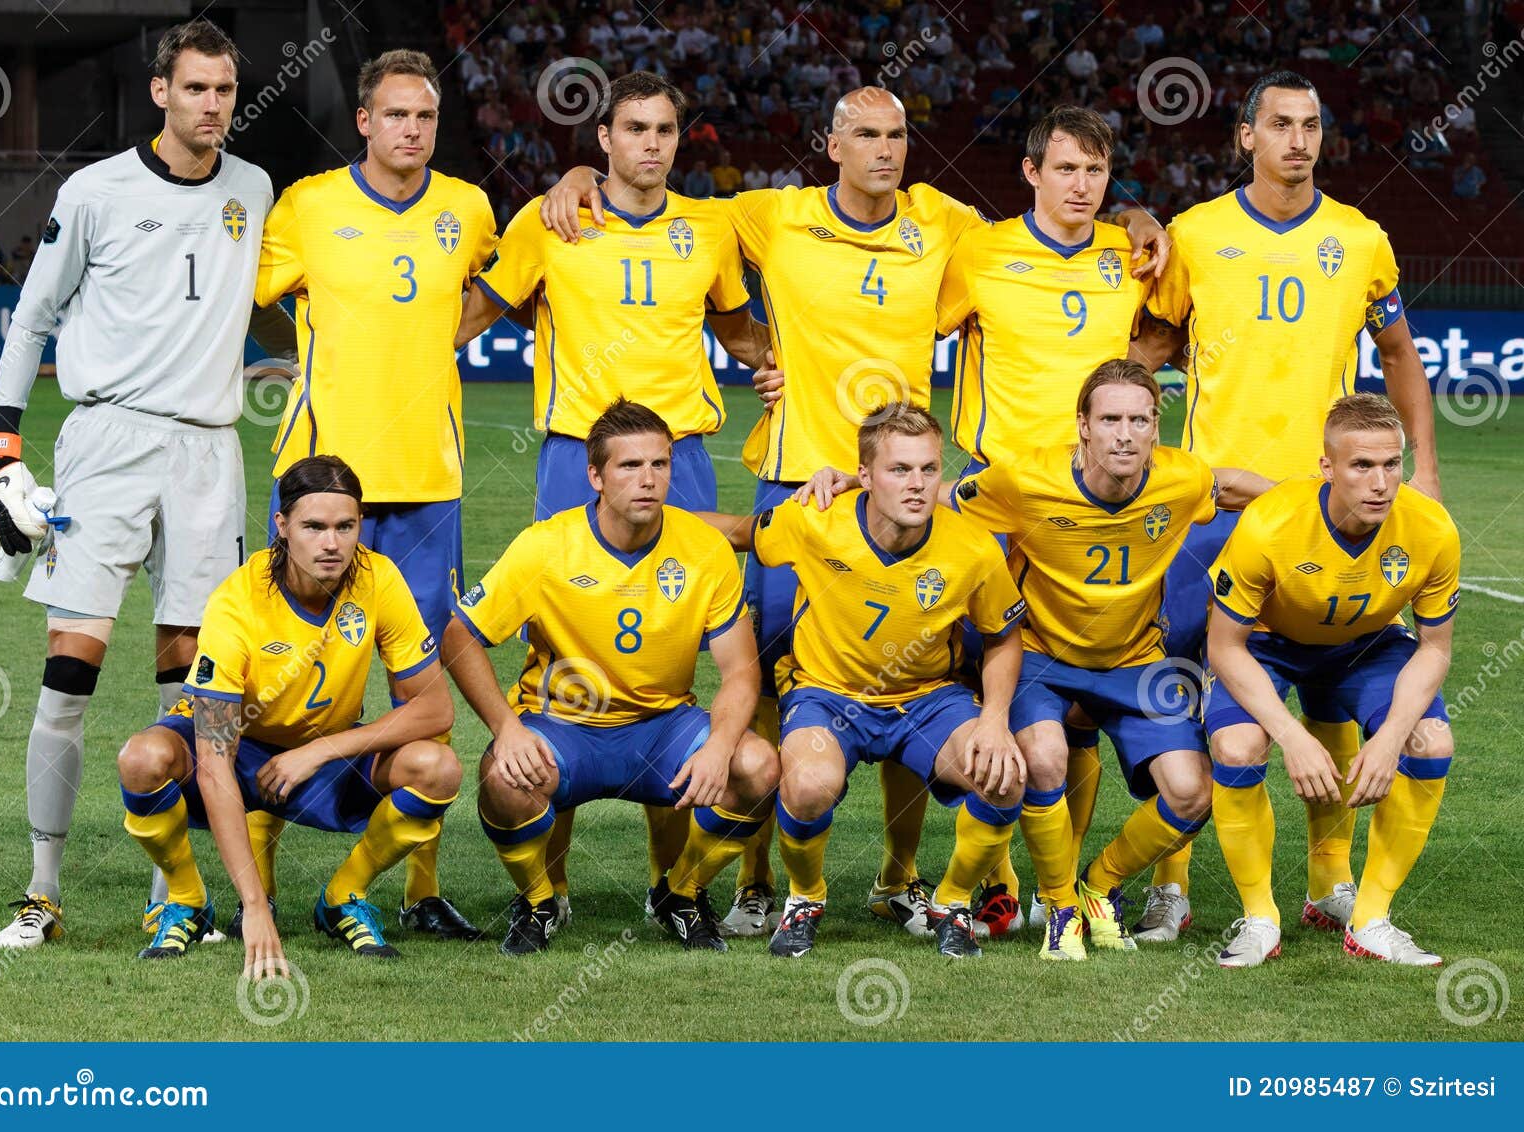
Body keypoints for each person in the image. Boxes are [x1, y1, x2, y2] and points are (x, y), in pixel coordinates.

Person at [540, 86, 1167, 941]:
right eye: (865, 134)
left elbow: (1056, 211)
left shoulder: (944, 224)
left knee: (916, 674)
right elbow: (655, 203)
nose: (884, 149)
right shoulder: (768, 216)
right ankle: (758, 882)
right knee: (761, 681)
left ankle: (903, 876)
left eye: (898, 135)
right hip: (798, 484)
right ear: (829, 143)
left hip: (908, 488)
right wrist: (580, 170)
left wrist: (1131, 212)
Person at [0, 19, 290, 950]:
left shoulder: (254, 187)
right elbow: (32, 318)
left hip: (209, 454)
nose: (212, 107)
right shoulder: (96, 191)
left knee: (193, 692)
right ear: (160, 91)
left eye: (226, 92)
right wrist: (2, 448)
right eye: (195, 89)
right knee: (68, 674)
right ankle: (42, 891)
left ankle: (177, 889)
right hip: (107, 444)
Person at [456, 70, 769, 928]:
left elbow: (739, 329)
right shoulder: (550, 219)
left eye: (666, 129)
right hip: (573, 456)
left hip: (683, 457)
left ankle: (677, 890)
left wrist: (783, 363)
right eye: (635, 128)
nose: (652, 144)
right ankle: (545, 896)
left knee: (682, 658)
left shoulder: (708, 227)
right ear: (603, 140)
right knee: (553, 665)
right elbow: (470, 316)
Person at [1138, 71, 1440, 939]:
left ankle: (1330, 883)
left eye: (1310, 125)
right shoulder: (1194, 236)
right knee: (1189, 689)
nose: (1298, 140)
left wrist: (1421, 471)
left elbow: (1399, 354)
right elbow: (1145, 352)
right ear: (1246, 137)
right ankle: (1172, 884)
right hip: (1211, 515)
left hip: (1328, 508)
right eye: (1280, 124)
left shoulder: (1361, 237)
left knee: (1333, 693)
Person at [936, 105, 1197, 940]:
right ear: (1030, 174)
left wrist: (1138, 368)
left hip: (1093, 499)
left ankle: (1070, 884)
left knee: (1070, 701)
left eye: (1097, 171)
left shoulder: (1131, 252)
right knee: (984, 687)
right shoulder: (977, 252)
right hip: (996, 501)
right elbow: (913, 330)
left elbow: (1172, 327)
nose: (1081, 186)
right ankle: (997, 881)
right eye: (1066, 169)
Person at [253, 48, 495, 942]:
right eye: (396, 115)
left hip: (428, 488)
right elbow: (251, 295)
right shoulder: (309, 204)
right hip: (321, 477)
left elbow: (502, 284)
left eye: (425, 117)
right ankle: (260, 886)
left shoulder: (467, 208)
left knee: (420, 687)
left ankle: (412, 889)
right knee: (277, 688)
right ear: (365, 121)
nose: (412, 131)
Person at [951, 362, 1263, 958]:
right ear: (1083, 428)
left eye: (1140, 420)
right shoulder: (1023, 479)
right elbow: (941, 501)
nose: (1125, 433)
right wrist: (853, 489)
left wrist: (1311, 501)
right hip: (1042, 655)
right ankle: (1061, 905)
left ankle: (1100, 885)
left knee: (1193, 791)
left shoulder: (1180, 479)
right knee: (1043, 758)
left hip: (1136, 661)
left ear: (1155, 431)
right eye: (1111, 419)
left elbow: (1224, 484)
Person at [446, 401, 779, 955]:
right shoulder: (547, 545)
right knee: (502, 781)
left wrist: (720, 745)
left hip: (661, 729)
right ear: (595, 476)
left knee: (757, 765)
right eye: (629, 467)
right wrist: (506, 728)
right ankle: (538, 901)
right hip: (565, 728)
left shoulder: (705, 549)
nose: (648, 480)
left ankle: (682, 894)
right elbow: (461, 635)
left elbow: (742, 670)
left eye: (660, 464)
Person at [700, 406, 1028, 958]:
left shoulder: (971, 545)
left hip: (927, 699)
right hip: (827, 694)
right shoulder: (812, 519)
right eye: (899, 470)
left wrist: (994, 720)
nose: (918, 485)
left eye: (928, 469)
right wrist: (654, 517)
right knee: (805, 786)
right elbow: (738, 534)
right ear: (865, 474)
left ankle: (951, 903)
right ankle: (805, 898)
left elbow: (1001, 636)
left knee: (1003, 776)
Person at [118, 457, 460, 969]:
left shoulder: (378, 579)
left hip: (323, 759)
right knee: (142, 758)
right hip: (237, 754)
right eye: (314, 527)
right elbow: (213, 761)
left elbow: (435, 708)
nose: (332, 543)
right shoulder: (237, 601)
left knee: (438, 768)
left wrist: (318, 751)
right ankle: (186, 901)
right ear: (282, 526)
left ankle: (344, 896)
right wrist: (255, 907)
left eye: (346, 526)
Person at [1206, 395, 1458, 967]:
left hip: (1365, 644)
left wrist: (1391, 737)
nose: (1381, 483)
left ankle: (1369, 919)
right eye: (1361, 466)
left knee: (1431, 740)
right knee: (1239, 746)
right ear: (1327, 467)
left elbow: (1435, 649)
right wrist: (1293, 739)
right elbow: (1224, 646)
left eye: (1392, 464)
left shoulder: (1431, 527)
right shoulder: (1269, 522)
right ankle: (1258, 919)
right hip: (1266, 643)